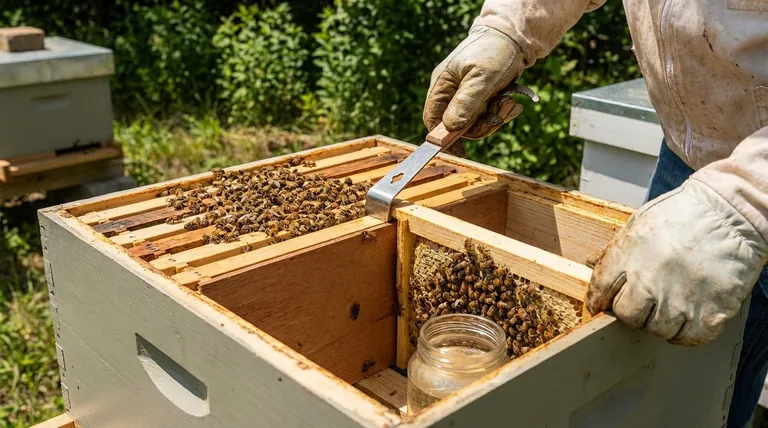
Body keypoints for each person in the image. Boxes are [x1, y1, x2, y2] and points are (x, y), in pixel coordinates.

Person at [422, 1, 768, 426]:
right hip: (683, 156)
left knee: (706, 385)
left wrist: (747, 202)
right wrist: (508, 27)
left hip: (752, 192)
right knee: (634, 348)